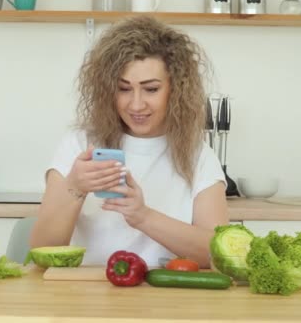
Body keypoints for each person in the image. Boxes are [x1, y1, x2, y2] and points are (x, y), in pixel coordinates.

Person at [29, 16, 228, 268]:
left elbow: (217, 254)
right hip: (85, 296)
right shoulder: (79, 144)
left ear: (176, 89)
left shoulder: (199, 156)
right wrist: (75, 187)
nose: (136, 104)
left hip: (165, 299)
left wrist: (143, 217)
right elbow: (41, 249)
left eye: (151, 89)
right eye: (124, 89)